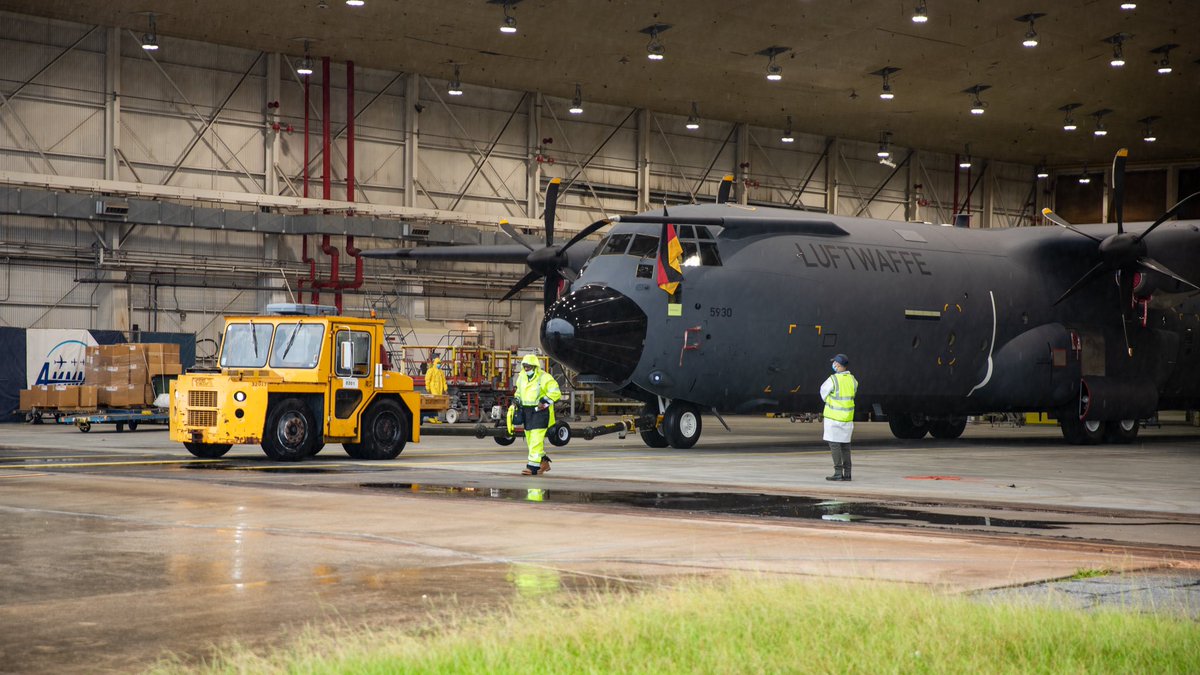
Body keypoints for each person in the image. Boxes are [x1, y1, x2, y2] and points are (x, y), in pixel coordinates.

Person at [507, 354, 561, 475]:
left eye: (529, 366)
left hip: (540, 412)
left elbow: (556, 393)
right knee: (531, 441)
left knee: (536, 439)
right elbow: (519, 392)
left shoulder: (544, 377)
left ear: (535, 366)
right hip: (527, 412)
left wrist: (544, 402)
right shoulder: (522, 378)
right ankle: (544, 462)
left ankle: (532, 467)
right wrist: (516, 400)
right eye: (525, 366)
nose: (526, 369)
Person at [821, 353, 858, 481]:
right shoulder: (853, 380)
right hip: (847, 418)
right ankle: (847, 473)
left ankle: (838, 472)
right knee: (845, 447)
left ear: (839, 365)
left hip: (833, 418)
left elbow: (823, 392)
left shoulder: (833, 379)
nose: (834, 365)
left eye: (836, 363)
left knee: (834, 445)